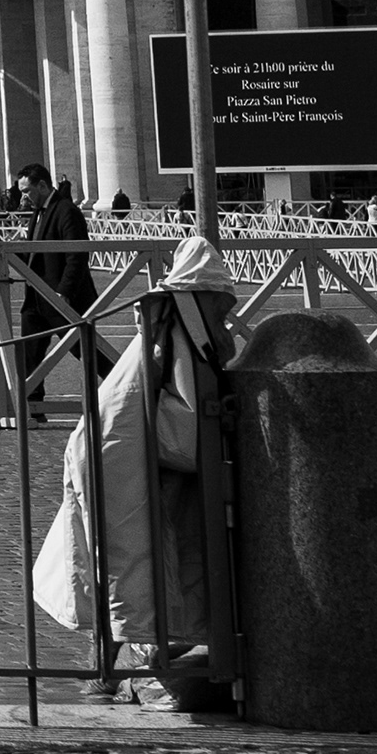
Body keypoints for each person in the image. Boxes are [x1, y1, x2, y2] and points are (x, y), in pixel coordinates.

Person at [33, 235, 234, 710]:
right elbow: (187, 434)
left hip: (117, 454)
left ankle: (123, 664)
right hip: (120, 459)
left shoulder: (167, 328)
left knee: (129, 565)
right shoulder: (182, 334)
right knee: (133, 566)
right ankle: (126, 670)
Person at [13, 161, 95, 404]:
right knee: (29, 355)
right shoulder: (38, 213)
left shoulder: (66, 210)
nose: (23, 198)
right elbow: (35, 254)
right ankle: (33, 406)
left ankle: (126, 390)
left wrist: (64, 293)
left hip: (61, 300)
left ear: (42, 185)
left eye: (27, 191)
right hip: (36, 299)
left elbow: (77, 256)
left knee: (88, 353)